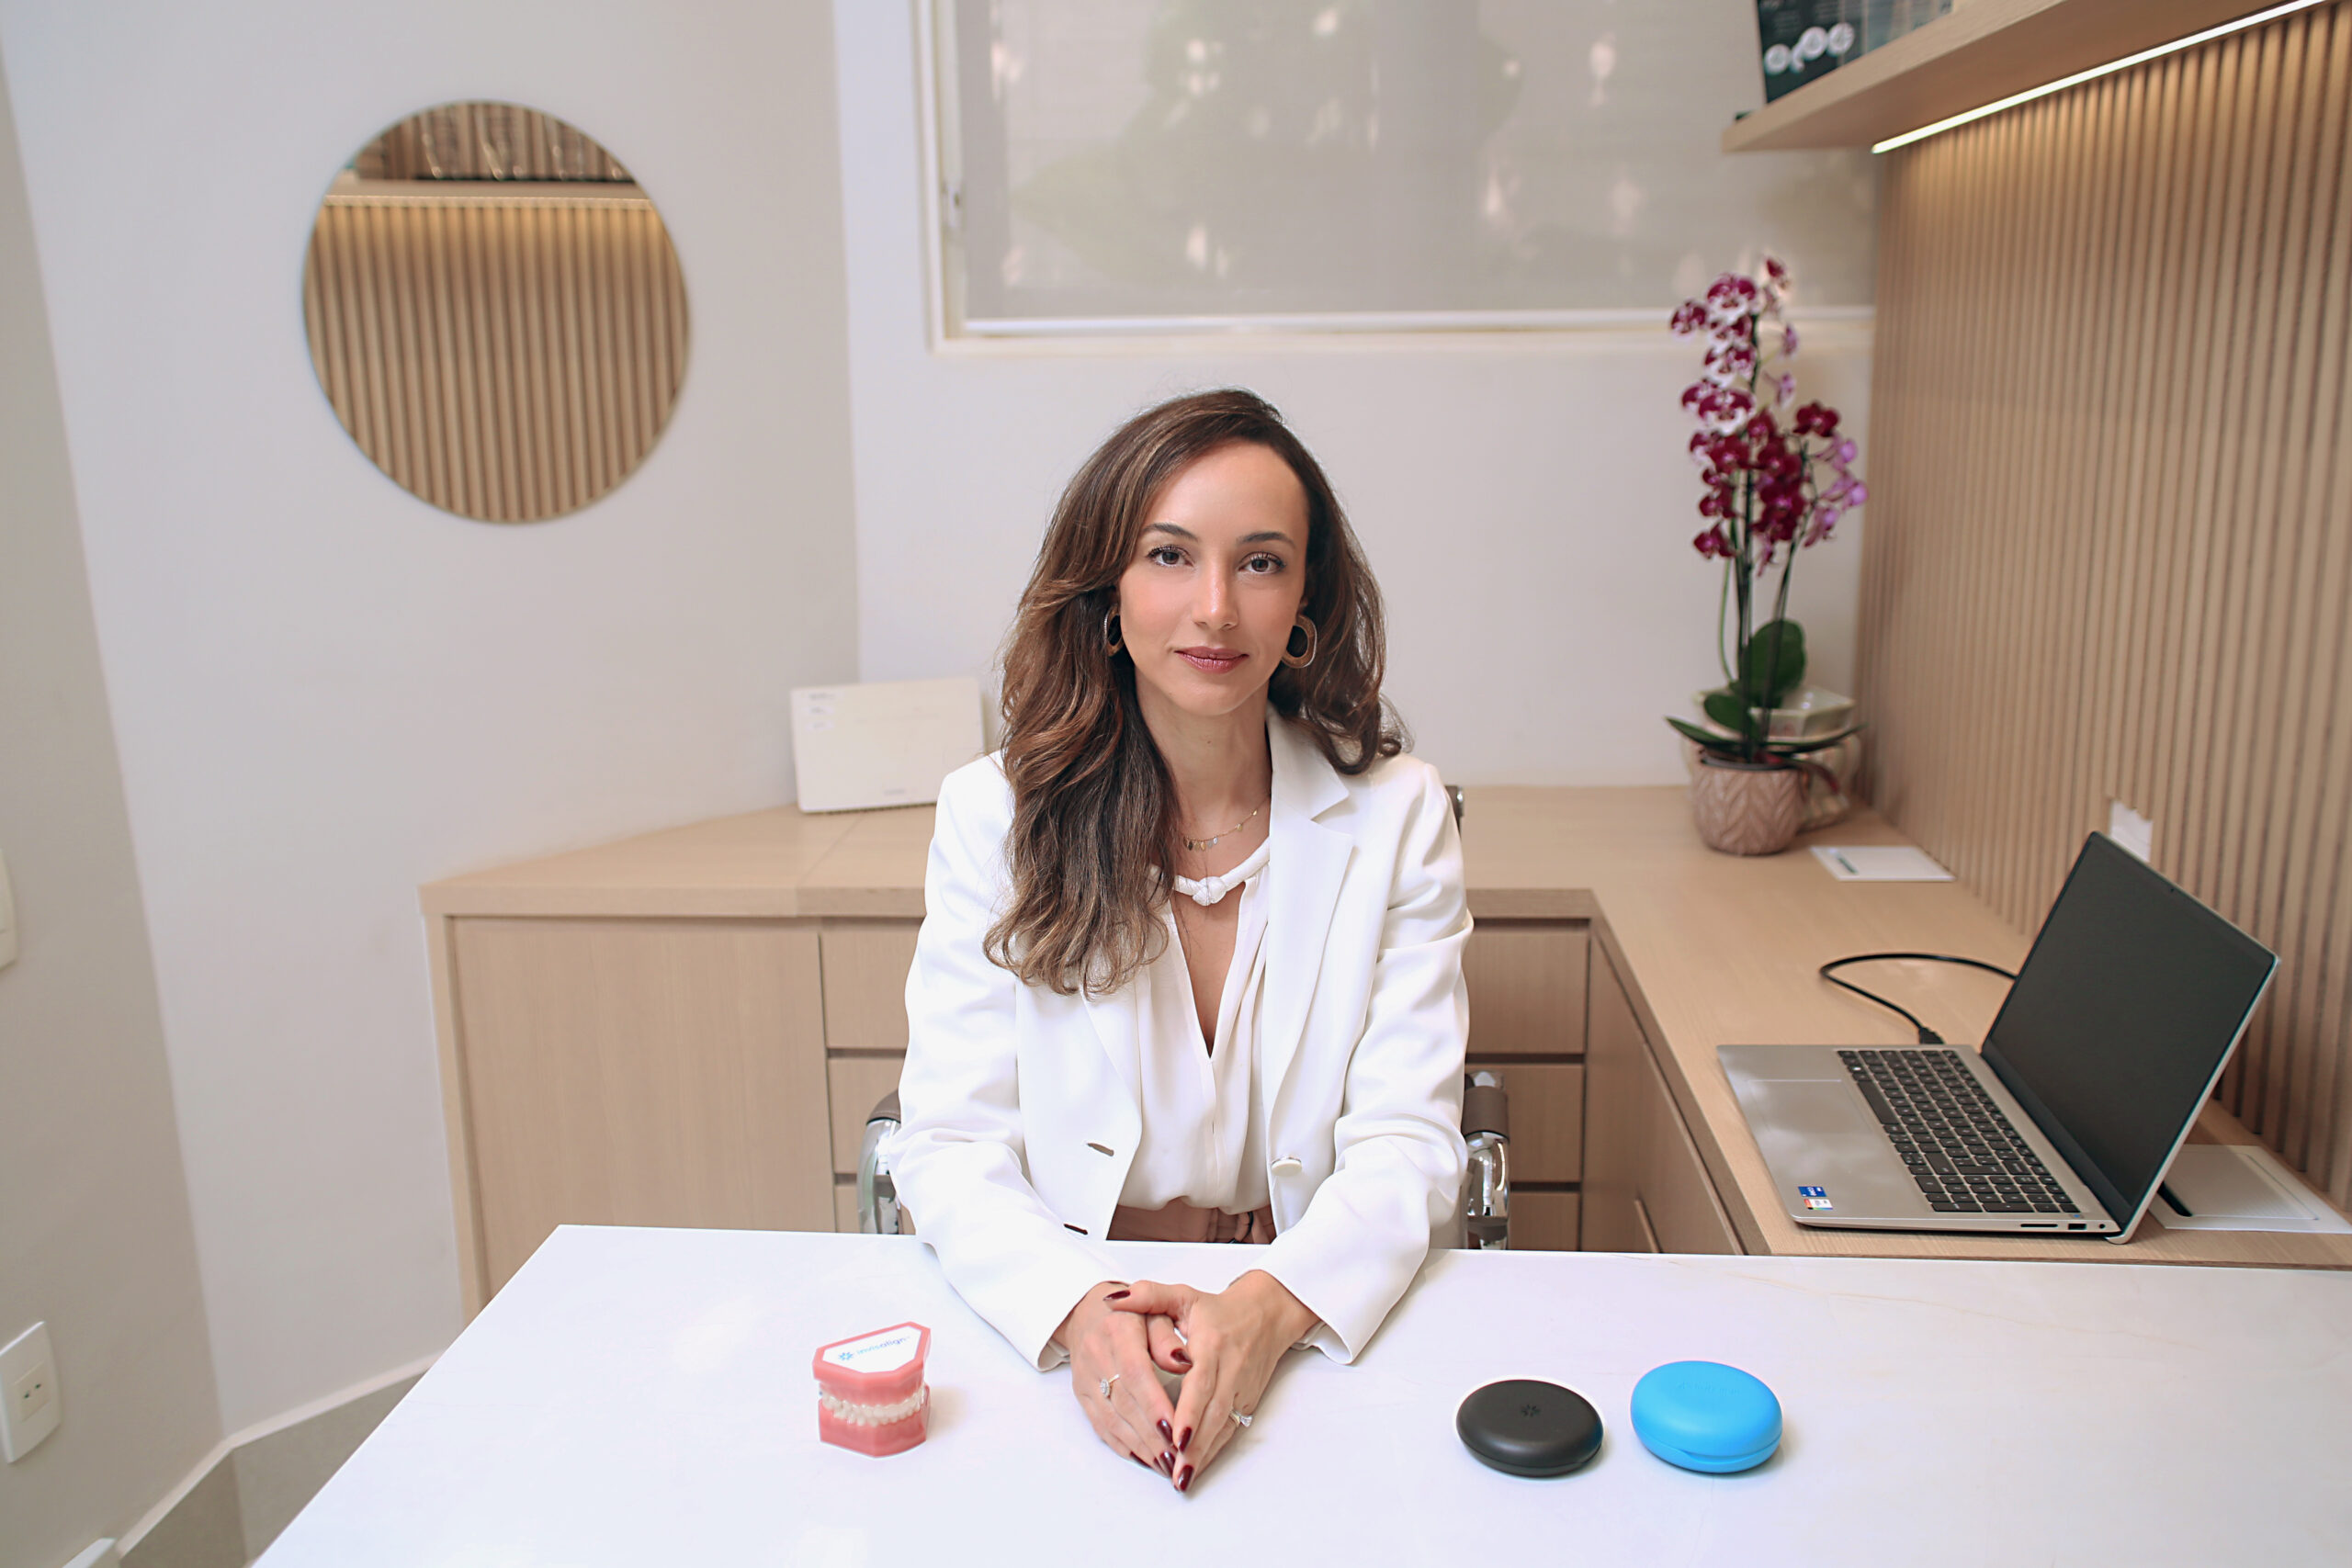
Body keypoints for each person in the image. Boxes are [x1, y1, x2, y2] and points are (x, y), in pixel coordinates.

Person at [886, 389, 1470, 1495]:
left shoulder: (1398, 816)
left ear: (1305, 600)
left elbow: (1407, 1139)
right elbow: (949, 1140)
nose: (1215, 608)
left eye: (1260, 563)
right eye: (1168, 556)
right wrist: (1083, 1312)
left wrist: (1266, 1309)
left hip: (1306, 1316)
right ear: (1108, 594)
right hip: (1060, 1318)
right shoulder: (994, 816)